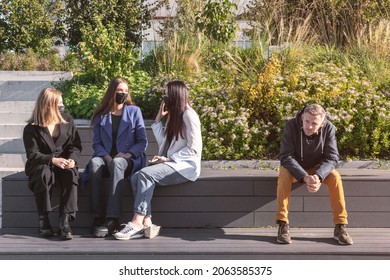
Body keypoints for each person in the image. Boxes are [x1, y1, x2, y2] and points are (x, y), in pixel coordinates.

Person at [114, 79, 202, 240]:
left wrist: (169, 159)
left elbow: (194, 148)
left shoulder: (190, 115)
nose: (165, 96)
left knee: (146, 174)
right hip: (172, 162)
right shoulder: (174, 116)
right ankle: (147, 224)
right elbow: (164, 142)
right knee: (135, 177)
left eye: (167, 93)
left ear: (176, 95)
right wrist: (157, 121)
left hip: (185, 166)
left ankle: (137, 221)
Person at [275, 104, 353, 245]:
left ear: (322, 123)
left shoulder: (329, 128)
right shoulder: (291, 126)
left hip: (317, 169)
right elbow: (285, 156)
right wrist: (304, 176)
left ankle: (340, 226)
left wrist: (318, 176)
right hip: (294, 169)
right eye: (307, 121)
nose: (309, 126)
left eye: (314, 123)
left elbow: (332, 158)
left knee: (335, 177)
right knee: (284, 173)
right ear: (302, 117)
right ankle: (282, 224)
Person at [83, 77, 148, 238]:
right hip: (106, 159)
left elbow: (142, 141)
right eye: (120, 91)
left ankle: (112, 219)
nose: (123, 94)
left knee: (118, 163)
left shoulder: (134, 111)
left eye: (126, 91)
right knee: (94, 164)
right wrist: (106, 157)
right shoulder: (101, 115)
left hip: (128, 161)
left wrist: (128, 154)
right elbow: (96, 144)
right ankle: (98, 217)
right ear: (112, 92)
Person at [23, 87, 82, 240]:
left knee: (71, 173)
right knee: (44, 174)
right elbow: (33, 154)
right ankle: (44, 219)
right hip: (42, 163)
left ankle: (65, 221)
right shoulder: (31, 129)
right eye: (59, 104)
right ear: (48, 105)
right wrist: (52, 160)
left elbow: (74, 146)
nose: (62, 107)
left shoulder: (68, 121)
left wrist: (72, 159)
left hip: (63, 163)